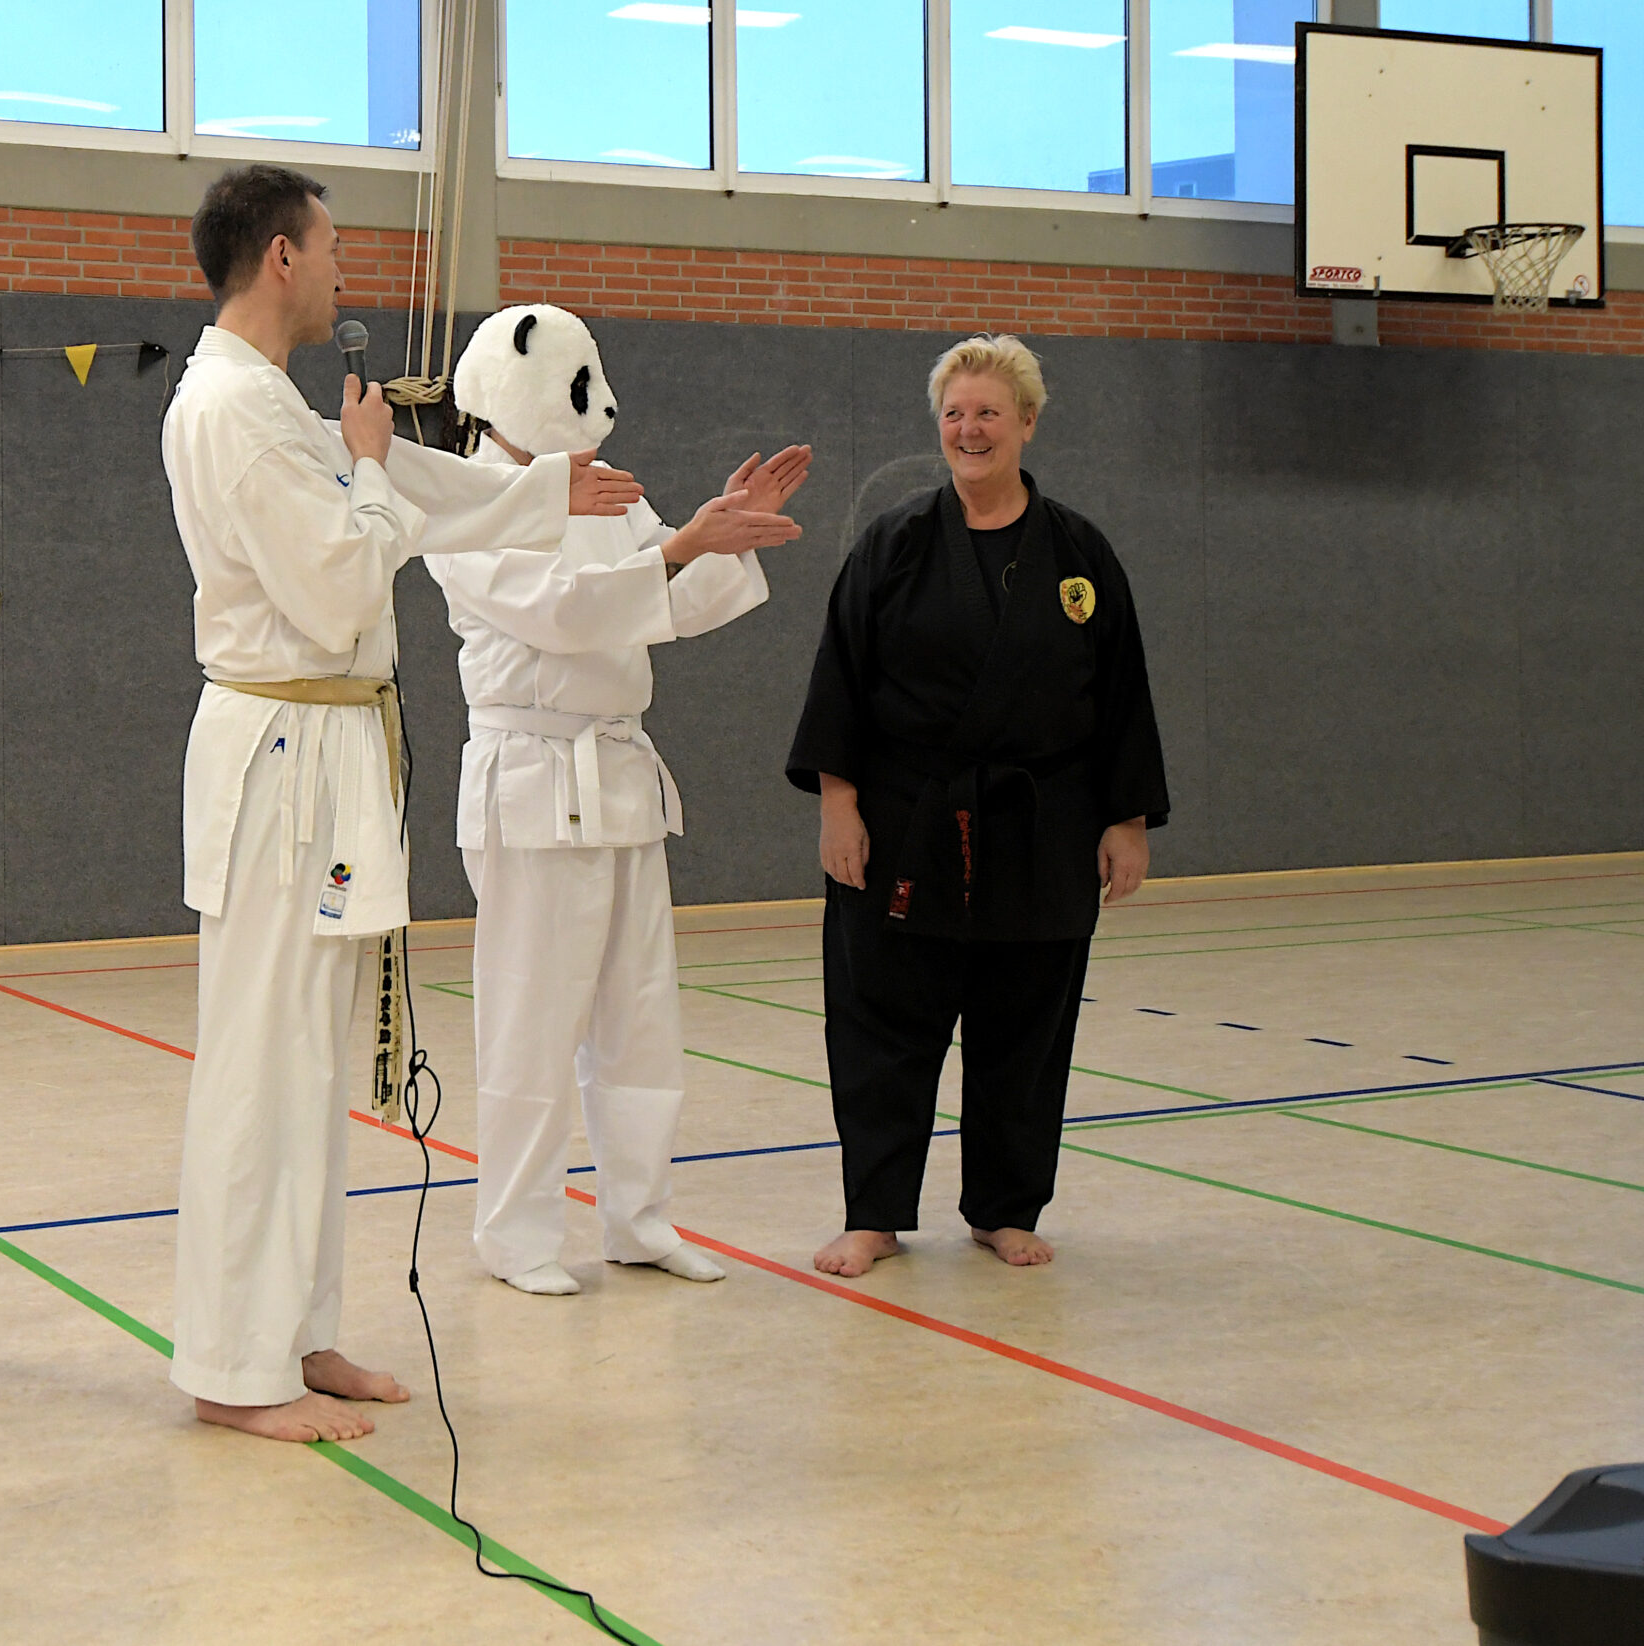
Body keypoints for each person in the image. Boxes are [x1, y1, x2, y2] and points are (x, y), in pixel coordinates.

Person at [162, 165, 644, 1443]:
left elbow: (406, 488)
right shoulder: (229, 407)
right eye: (329, 246)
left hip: (321, 747)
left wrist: (542, 491)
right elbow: (339, 576)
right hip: (282, 751)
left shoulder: (267, 401)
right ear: (279, 255)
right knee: (264, 1064)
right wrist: (375, 467)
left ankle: (294, 1330)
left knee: (310, 1062)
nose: (342, 269)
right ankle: (232, 1365)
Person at [431, 302, 810, 1295]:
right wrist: (680, 548)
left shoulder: (602, 490)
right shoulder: (466, 499)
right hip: (530, 776)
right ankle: (515, 1235)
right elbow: (561, 613)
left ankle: (638, 1220)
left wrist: (720, 537)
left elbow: (666, 604)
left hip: (620, 775)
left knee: (640, 1019)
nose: (597, 408)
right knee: (531, 1022)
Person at [786, 333, 1168, 1278]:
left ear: (1027, 422)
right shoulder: (895, 544)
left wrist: (1125, 820)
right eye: (954, 413)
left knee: (1025, 1031)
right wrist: (839, 805)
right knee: (881, 1025)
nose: (969, 429)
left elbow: (1121, 692)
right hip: (905, 818)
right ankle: (875, 1213)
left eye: (989, 412)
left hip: (1042, 822)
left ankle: (1004, 1207)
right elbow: (841, 676)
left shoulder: (1079, 554)